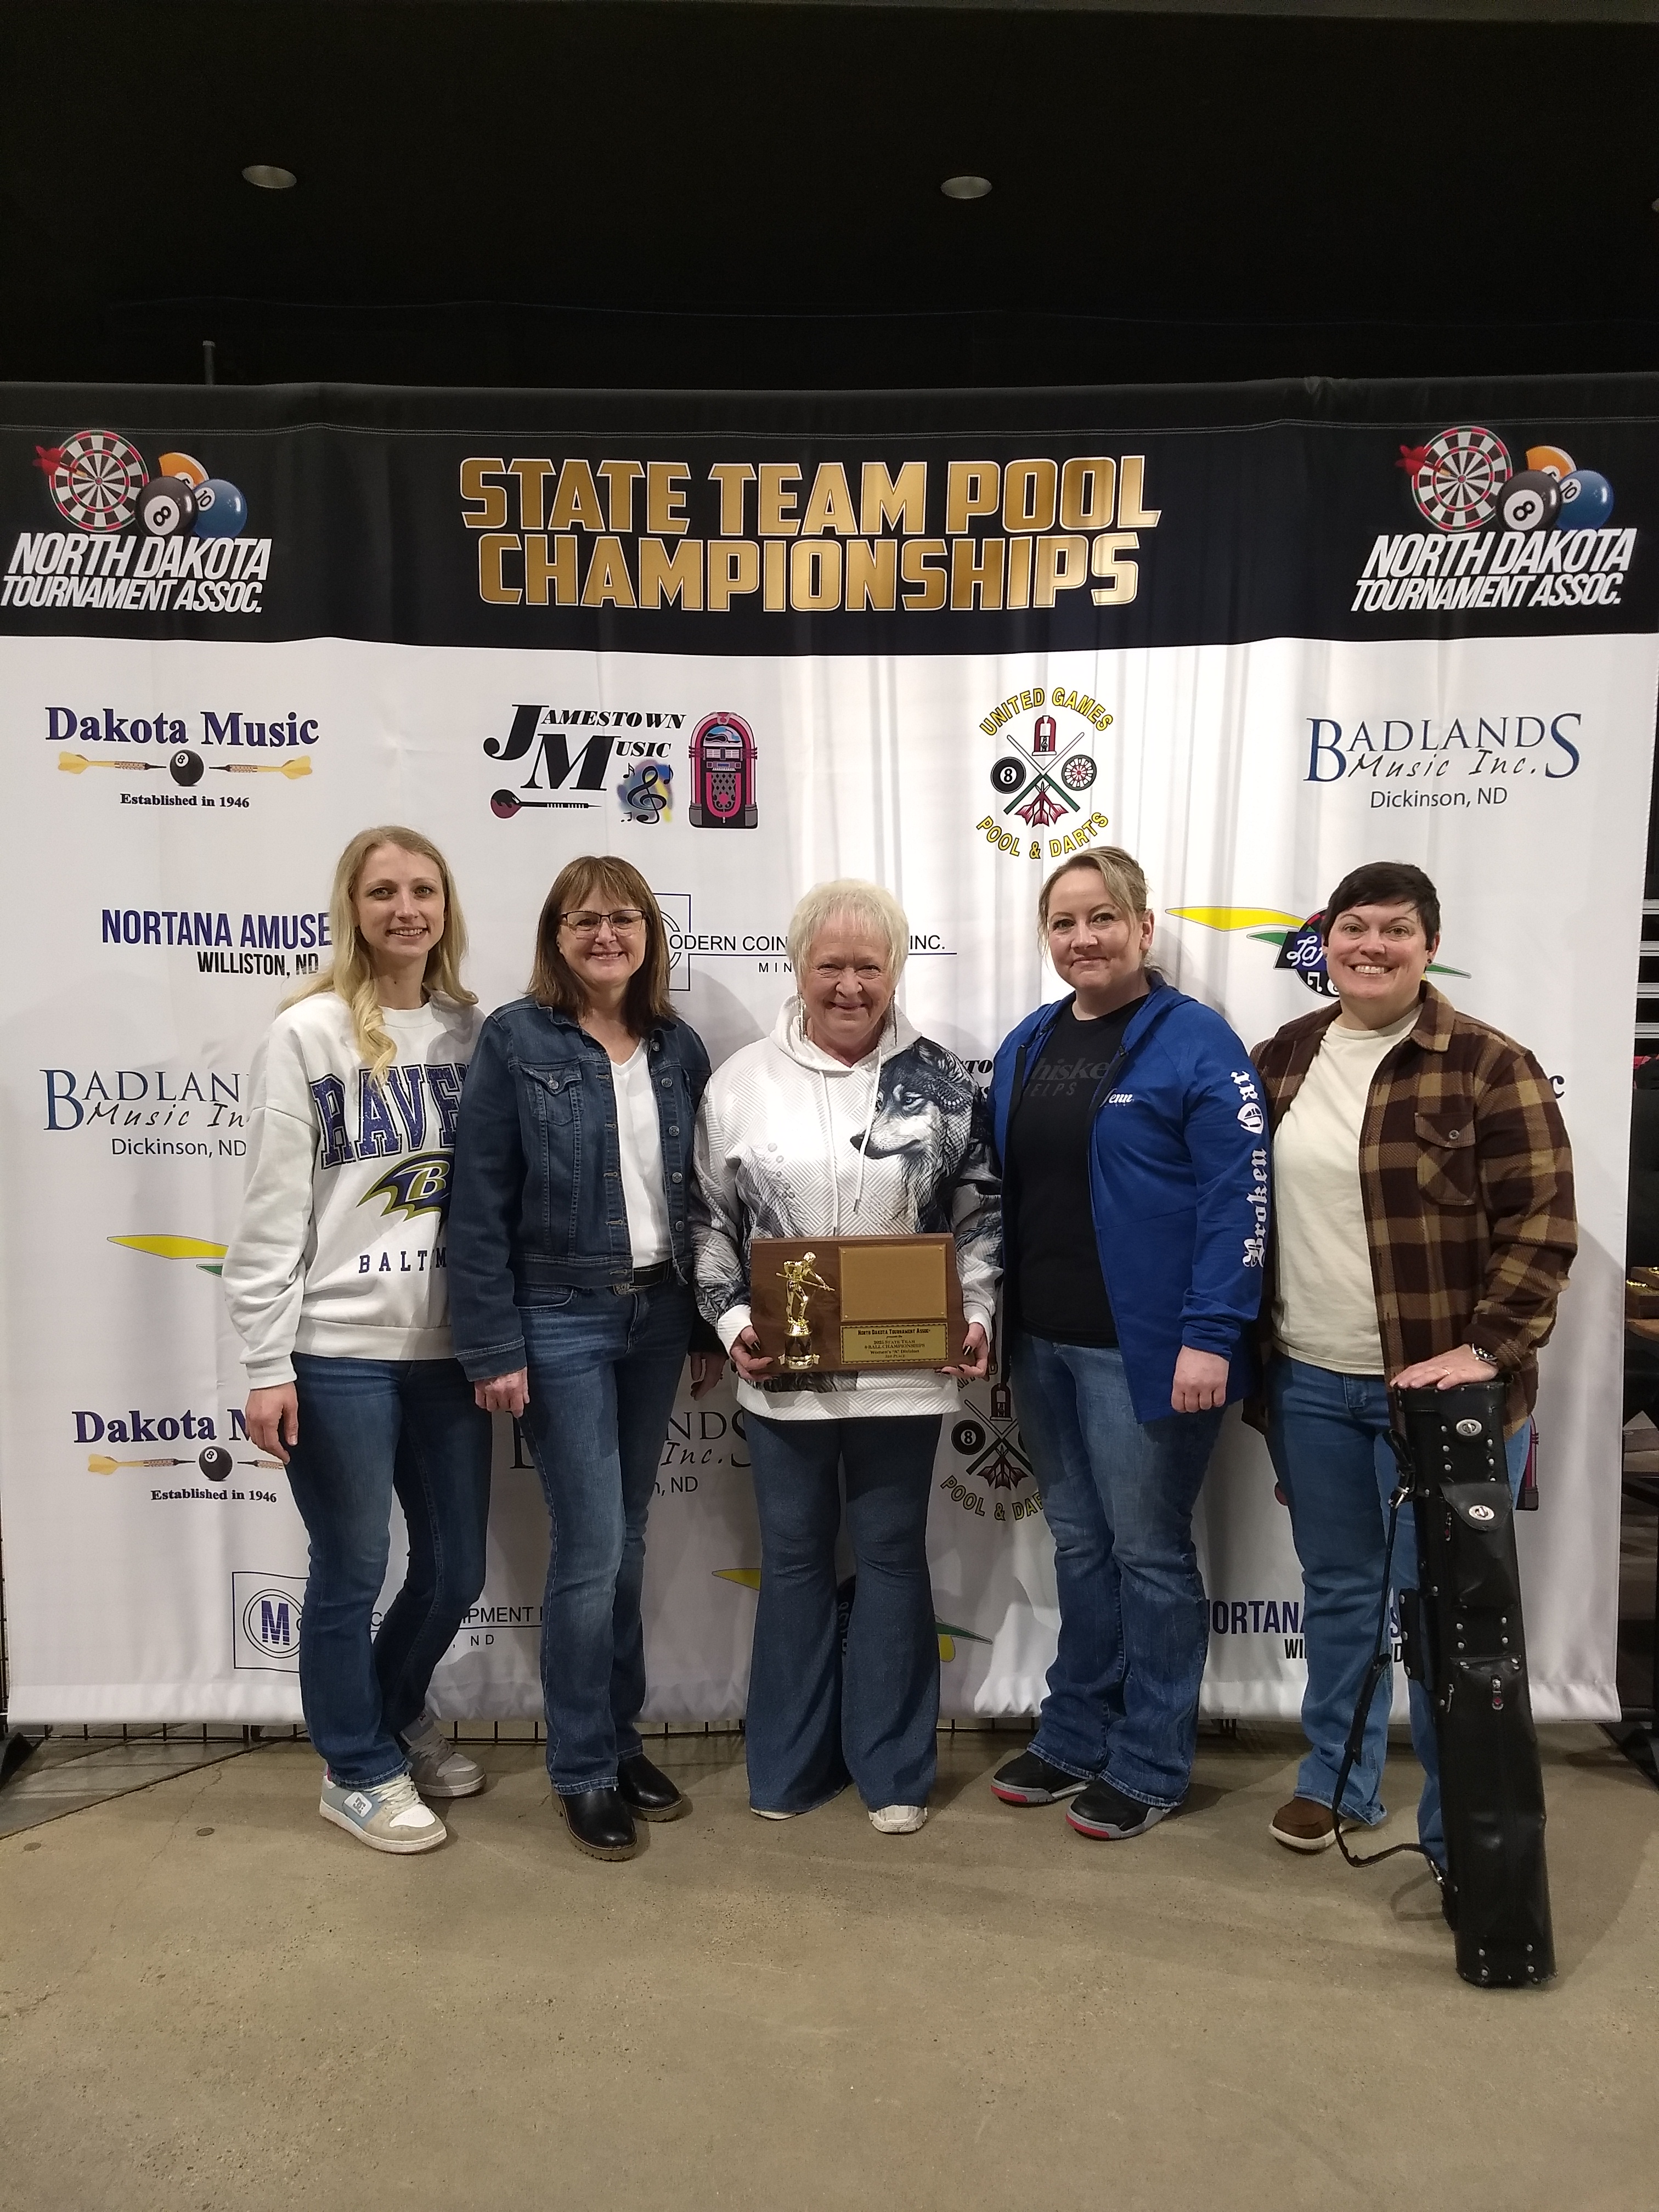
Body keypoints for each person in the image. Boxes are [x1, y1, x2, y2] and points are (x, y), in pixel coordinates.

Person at [1252, 860, 1576, 1859]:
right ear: (1326, 942)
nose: (1373, 946)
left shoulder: (1489, 1064)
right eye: (1354, 926)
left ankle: (1461, 1828)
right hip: (1308, 1381)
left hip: (1442, 1399)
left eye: (1397, 929)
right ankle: (1337, 1782)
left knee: (1447, 1612)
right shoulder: (1283, 1059)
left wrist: (1484, 1350)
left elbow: (1543, 1224)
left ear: (1430, 947)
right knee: (1340, 1590)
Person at [692, 879, 999, 1835]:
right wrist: (729, 1321)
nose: (851, 986)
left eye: (870, 966)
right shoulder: (739, 1083)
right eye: (831, 965)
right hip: (783, 1374)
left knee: (893, 1558)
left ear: (897, 970)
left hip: (907, 1377)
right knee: (792, 1562)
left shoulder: (942, 1082)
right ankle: (787, 1769)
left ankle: (895, 1772)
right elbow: (709, 1221)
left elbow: (979, 1212)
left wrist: (977, 1311)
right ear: (798, 967)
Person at [986, 849, 1268, 1842]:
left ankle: (1149, 1761)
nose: (1084, 938)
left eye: (1103, 917)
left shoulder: (1197, 1041)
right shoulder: (1027, 1043)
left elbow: (1239, 1200)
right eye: (1064, 922)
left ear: (1144, 928)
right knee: (1078, 1543)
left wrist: (1211, 1336)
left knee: (1149, 1556)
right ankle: (1076, 1734)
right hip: (1044, 1344)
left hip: (1147, 1352)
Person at [447, 857, 719, 1863]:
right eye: (584, 920)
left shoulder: (679, 1046)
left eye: (624, 918)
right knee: (593, 1543)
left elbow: (703, 1198)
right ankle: (582, 1766)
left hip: (660, 1313)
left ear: (650, 932)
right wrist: (492, 1340)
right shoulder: (516, 1039)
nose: (607, 935)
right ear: (555, 936)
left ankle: (620, 1736)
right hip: (557, 1315)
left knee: (629, 1539)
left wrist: (704, 1324)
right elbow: (477, 1203)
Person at [224, 827, 490, 1857]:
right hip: (335, 1353)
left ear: (446, 907)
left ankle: (393, 1708)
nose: (405, 909)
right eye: (383, 892)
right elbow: (270, 1214)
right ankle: (356, 1767)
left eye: (424, 890)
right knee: (350, 1567)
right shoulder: (306, 1034)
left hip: (451, 1351)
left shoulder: (476, 1032)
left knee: (457, 1569)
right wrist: (265, 1363)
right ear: (354, 908)